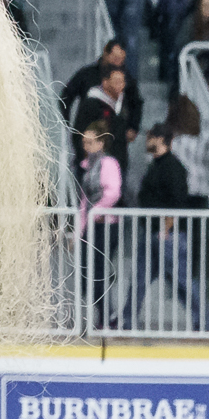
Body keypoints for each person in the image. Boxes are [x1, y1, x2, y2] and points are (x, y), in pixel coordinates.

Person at [126, 128, 203, 331]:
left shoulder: (173, 167)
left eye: (150, 138)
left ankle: (203, 322)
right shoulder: (156, 164)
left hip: (167, 234)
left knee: (182, 281)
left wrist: (166, 228)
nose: (147, 142)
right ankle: (127, 320)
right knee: (140, 279)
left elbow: (177, 202)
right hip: (154, 231)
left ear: (161, 139)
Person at [76, 126, 123, 328]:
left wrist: (96, 211)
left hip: (106, 224)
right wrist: (80, 229)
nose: (86, 146)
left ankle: (107, 315)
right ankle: (106, 314)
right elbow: (84, 201)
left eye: (90, 142)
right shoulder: (87, 166)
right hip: (92, 224)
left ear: (101, 143)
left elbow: (113, 193)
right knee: (87, 273)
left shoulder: (108, 163)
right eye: (84, 142)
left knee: (97, 272)